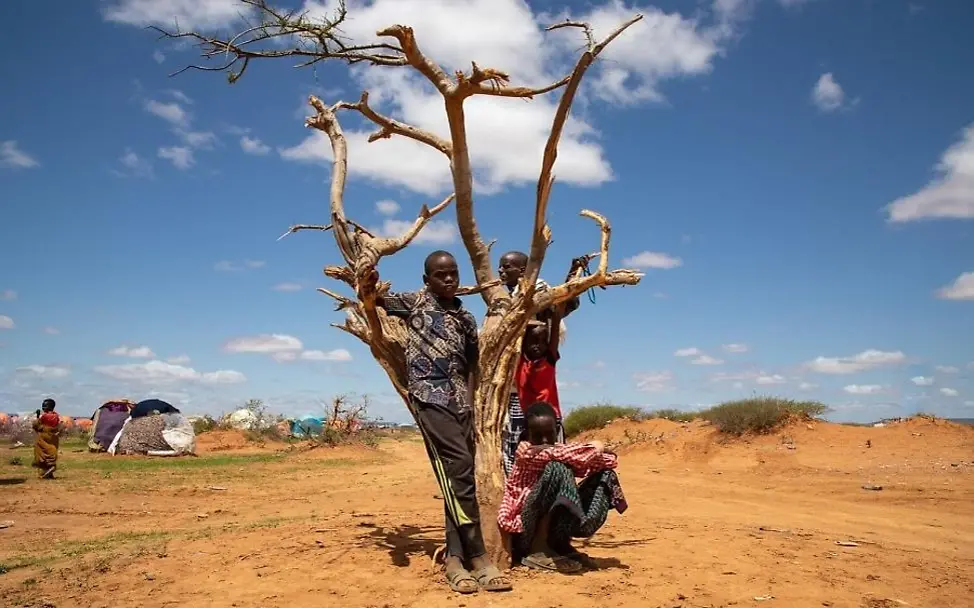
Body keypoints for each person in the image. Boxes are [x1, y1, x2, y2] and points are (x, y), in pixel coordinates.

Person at [367, 250, 512, 595]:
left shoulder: (464, 316)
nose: (448, 279)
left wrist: (473, 405)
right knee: (459, 468)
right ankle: (477, 556)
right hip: (430, 400)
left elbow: (473, 364)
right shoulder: (414, 302)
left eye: (453, 273)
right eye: (440, 275)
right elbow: (374, 300)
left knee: (457, 476)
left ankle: (455, 561)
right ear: (426, 280)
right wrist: (368, 282)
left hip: (462, 404)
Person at [498, 402, 627, 573]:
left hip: (552, 524)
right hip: (526, 529)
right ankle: (538, 548)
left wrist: (591, 453)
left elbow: (609, 461)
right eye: (537, 435)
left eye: (549, 434)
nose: (544, 441)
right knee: (557, 468)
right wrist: (596, 446)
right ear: (526, 435)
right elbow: (561, 455)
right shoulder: (525, 452)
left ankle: (560, 545)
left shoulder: (559, 450)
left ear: (556, 432)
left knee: (606, 475)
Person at [498, 250, 582, 476]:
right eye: (501, 266)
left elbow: (561, 305)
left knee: (544, 447)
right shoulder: (505, 298)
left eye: (507, 267)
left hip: (535, 398)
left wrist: (574, 275)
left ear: (523, 271)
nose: (501, 271)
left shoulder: (537, 291)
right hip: (515, 387)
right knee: (518, 445)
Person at [32, 398, 62, 479]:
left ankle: (49, 468)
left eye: (44, 406)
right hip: (53, 438)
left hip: (44, 436)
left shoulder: (44, 416)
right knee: (51, 450)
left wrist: (37, 416)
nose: (43, 407)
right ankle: (49, 471)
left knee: (42, 452)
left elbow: (37, 425)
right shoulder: (56, 416)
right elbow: (59, 426)